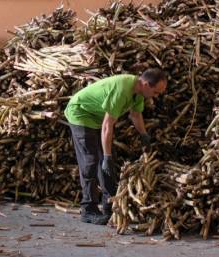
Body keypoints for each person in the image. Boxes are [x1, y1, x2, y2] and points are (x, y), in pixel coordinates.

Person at [64, 69, 167, 225]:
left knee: (108, 164)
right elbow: (107, 126)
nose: (156, 96)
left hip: (96, 118)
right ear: (145, 84)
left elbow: (135, 115)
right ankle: (88, 210)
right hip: (81, 113)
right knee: (91, 161)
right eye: (156, 92)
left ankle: (108, 205)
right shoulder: (122, 89)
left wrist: (144, 135)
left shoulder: (138, 93)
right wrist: (106, 156)